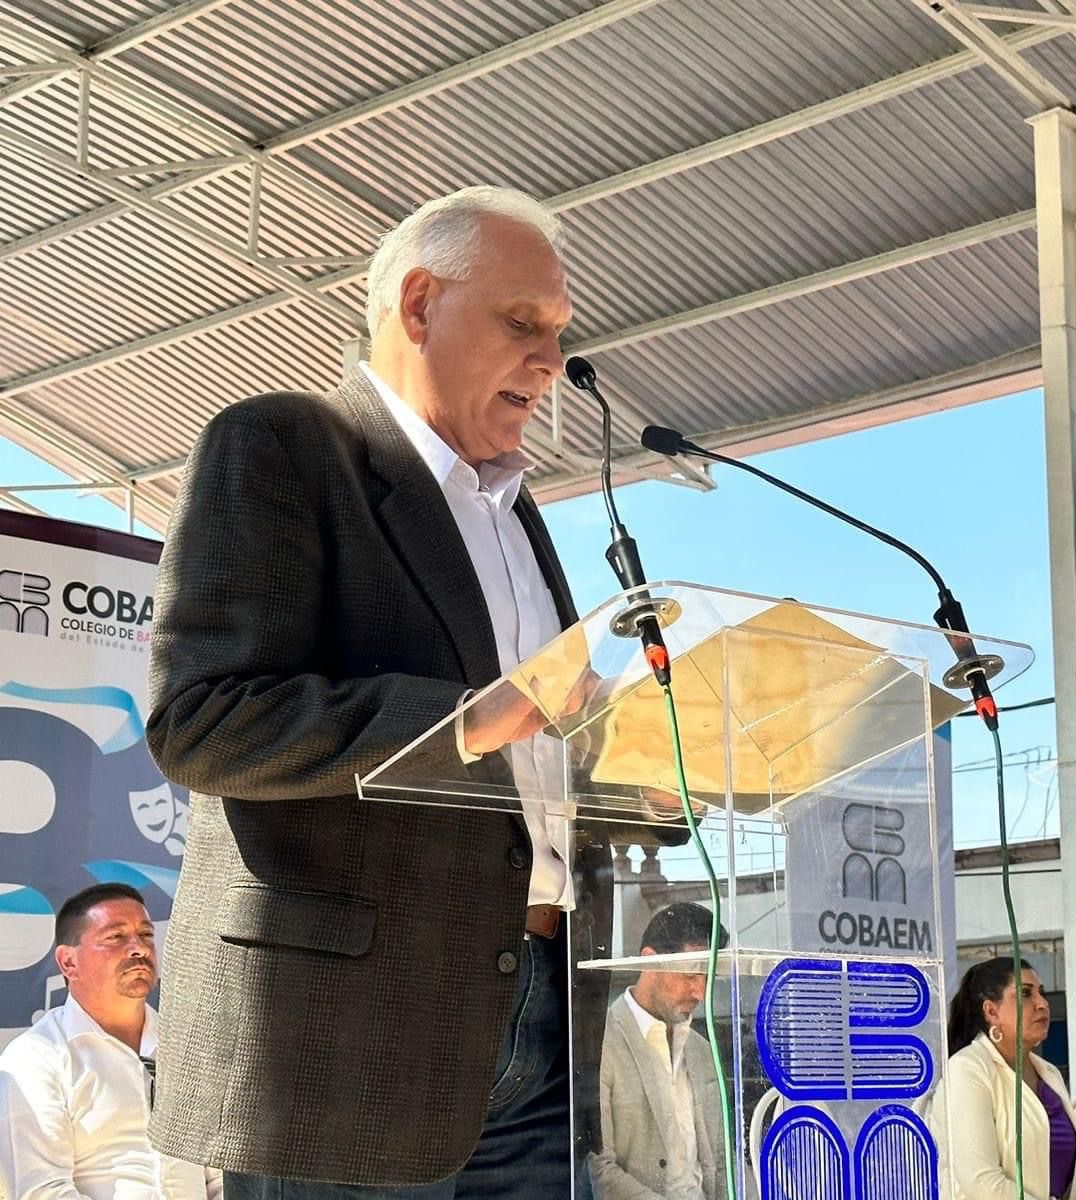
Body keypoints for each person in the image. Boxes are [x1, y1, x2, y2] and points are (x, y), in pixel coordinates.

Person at [146, 185, 604, 1197]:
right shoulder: (284, 445)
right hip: (347, 1040)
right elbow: (204, 722)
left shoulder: (516, 514)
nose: (551, 361)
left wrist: (625, 758)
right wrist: (468, 719)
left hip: (540, 1015)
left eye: (560, 332)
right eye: (522, 323)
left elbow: (533, 757)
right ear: (419, 304)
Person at [0, 883, 218, 1199]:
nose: (139, 948)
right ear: (68, 962)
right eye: (116, 937)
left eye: (146, 935)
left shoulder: (188, 1049)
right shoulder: (35, 1058)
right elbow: (41, 1191)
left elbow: (222, 1179)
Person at [590, 903, 732, 1200]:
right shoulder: (599, 1045)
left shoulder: (702, 1051)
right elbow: (597, 1169)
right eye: (691, 974)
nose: (701, 992)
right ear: (649, 961)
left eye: (709, 976)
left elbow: (723, 1162)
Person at [926, 956, 1076, 1200]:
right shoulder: (967, 1069)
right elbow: (980, 1181)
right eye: (1025, 993)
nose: (1042, 1004)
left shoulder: (1049, 1073)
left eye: (1042, 993)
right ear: (991, 1011)